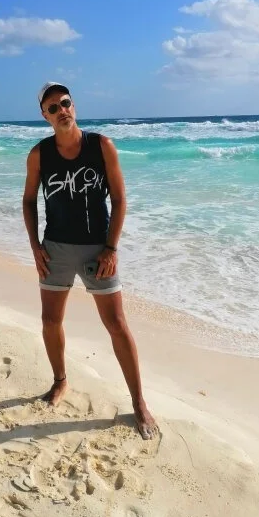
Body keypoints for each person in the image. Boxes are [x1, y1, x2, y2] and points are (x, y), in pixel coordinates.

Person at [22, 81, 158, 439]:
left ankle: (139, 402)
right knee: (50, 320)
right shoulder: (39, 154)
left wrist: (111, 248)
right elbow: (28, 200)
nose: (61, 110)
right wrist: (35, 246)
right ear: (44, 116)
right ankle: (60, 381)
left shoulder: (101, 146)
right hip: (56, 249)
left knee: (116, 323)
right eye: (53, 108)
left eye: (65, 103)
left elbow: (120, 199)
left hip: (98, 250)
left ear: (74, 105)